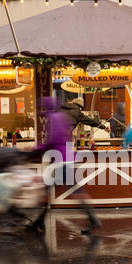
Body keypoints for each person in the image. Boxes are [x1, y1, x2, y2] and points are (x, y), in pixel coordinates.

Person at [36, 97, 102, 234]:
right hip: (67, 157)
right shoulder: (61, 116)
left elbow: (53, 139)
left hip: (62, 161)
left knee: (48, 190)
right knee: (75, 191)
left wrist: (37, 149)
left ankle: (39, 221)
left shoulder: (54, 117)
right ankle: (93, 219)